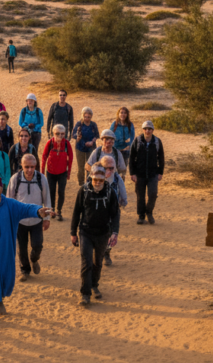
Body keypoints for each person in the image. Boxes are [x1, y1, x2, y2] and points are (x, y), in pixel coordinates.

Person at [0, 176, 53, 326]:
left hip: (6, 250)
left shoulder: (10, 205)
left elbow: (26, 208)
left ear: (1, 190)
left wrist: (38, 211)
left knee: (4, 275)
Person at [70, 165, 120, 307]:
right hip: (85, 231)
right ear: (90, 177)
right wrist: (73, 233)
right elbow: (76, 212)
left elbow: (115, 214)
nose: (97, 183)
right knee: (86, 263)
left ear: (105, 178)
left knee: (98, 262)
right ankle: (85, 294)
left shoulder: (110, 192)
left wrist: (115, 232)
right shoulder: (84, 190)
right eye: (95, 179)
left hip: (103, 233)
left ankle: (94, 285)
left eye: (100, 180)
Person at [7, 155, 51, 282]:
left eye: (32, 167)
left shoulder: (41, 178)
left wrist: (47, 218)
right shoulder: (15, 179)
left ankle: (34, 259)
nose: (30, 170)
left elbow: (47, 198)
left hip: (37, 219)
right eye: (27, 167)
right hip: (20, 221)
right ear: (22, 166)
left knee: (38, 245)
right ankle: (25, 270)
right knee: (22, 248)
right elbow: (9, 200)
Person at [128, 120, 165, 225]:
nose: (147, 131)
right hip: (140, 174)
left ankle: (149, 212)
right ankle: (141, 215)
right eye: (145, 129)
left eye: (149, 129)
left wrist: (160, 172)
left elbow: (161, 158)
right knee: (140, 196)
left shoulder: (157, 141)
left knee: (153, 194)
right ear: (143, 130)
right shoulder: (137, 140)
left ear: (152, 130)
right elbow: (131, 158)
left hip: (153, 173)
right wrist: (132, 173)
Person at [95, 155, 128, 266]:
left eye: (111, 168)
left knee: (110, 233)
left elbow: (123, 192)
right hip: (98, 211)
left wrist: (123, 202)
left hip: (113, 211)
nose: (109, 170)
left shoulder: (117, 178)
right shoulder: (96, 178)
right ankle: (98, 252)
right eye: (106, 168)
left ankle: (106, 253)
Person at [41, 124, 73, 221]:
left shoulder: (67, 143)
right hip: (51, 172)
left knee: (61, 192)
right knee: (51, 191)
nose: (60, 135)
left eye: (62, 133)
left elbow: (70, 158)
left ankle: (59, 211)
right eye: (57, 133)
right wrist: (42, 172)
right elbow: (44, 157)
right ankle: (52, 210)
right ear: (53, 133)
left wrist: (68, 173)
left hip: (62, 172)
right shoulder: (50, 143)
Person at [72, 107, 100, 186]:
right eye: (85, 116)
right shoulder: (79, 124)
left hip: (91, 148)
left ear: (91, 116)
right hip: (80, 147)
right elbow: (73, 134)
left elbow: (97, 135)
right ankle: (81, 184)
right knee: (80, 167)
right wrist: (79, 138)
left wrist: (92, 142)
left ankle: (89, 183)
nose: (87, 118)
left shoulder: (93, 124)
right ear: (82, 116)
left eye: (88, 117)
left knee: (90, 166)